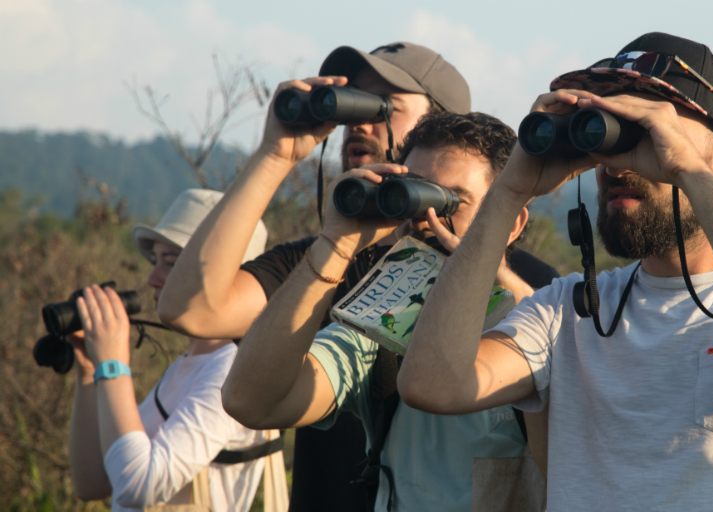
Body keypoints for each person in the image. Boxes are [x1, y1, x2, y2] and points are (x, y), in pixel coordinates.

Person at [398, 32, 713, 511]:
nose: (618, 164)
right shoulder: (565, 311)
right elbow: (432, 384)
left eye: (647, 126)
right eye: (609, 125)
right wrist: (506, 194)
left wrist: (688, 171)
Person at [156, 42, 483, 510]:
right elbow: (188, 308)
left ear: (442, 127)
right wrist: (275, 153)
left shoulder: (500, 278)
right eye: (356, 102)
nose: (361, 122)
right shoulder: (316, 265)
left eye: (386, 106)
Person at [219, 110, 555, 511]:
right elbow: (249, 402)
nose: (427, 219)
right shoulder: (386, 318)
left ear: (512, 224)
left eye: (452, 201)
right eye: (415, 193)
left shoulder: (546, 321)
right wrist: (334, 244)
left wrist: (494, 275)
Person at [67, 189, 282, 511]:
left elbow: (140, 488)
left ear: (226, 274)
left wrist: (113, 364)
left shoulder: (233, 370)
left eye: (170, 264)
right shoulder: (192, 364)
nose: (152, 278)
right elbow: (93, 483)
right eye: (155, 261)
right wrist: (89, 369)